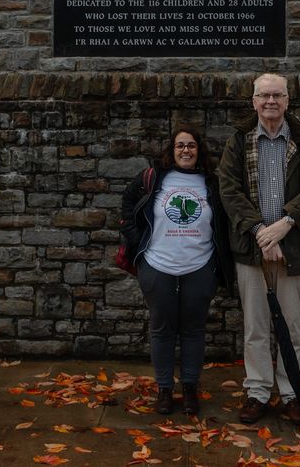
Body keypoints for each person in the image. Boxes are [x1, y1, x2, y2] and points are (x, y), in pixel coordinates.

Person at [217, 73, 300, 425]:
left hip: (294, 247)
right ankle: (258, 392)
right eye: (264, 95)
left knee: (292, 328)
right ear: (253, 101)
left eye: (277, 95)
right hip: (251, 248)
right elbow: (229, 191)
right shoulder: (239, 141)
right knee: (256, 327)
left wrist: (285, 225)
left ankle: (293, 392)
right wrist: (261, 233)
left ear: (287, 100)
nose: (270, 101)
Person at [120, 126, 234, 416]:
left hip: (200, 266)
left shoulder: (212, 183)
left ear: (199, 150)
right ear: (171, 151)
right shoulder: (152, 178)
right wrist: (137, 239)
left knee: (194, 329)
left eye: (191, 145)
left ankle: (191, 388)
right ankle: (165, 389)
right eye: (180, 145)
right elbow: (127, 204)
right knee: (162, 329)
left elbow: (224, 222)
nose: (186, 150)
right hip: (157, 265)